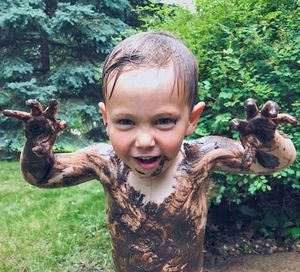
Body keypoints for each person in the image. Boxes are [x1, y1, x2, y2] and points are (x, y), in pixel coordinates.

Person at [1, 31, 297, 272]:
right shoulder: (105, 162)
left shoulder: (203, 156)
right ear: (106, 119)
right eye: (126, 121)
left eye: (164, 121)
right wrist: (37, 148)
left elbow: (275, 162)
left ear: (191, 119)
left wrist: (269, 140)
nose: (144, 140)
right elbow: (40, 176)